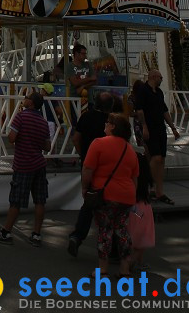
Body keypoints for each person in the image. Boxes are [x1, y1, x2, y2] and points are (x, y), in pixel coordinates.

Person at [82, 112, 139, 280]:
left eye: (107, 122)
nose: (105, 124)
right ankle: (124, 269)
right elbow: (134, 177)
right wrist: (131, 195)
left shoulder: (99, 143)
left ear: (113, 126)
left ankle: (103, 270)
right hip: (126, 195)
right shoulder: (130, 149)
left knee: (105, 231)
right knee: (122, 231)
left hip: (105, 195)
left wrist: (85, 188)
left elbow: (87, 169)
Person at [0, 91, 51, 247]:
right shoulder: (43, 122)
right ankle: (36, 234)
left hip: (24, 164)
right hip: (39, 163)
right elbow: (47, 146)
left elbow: (11, 138)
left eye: (27, 97)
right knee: (40, 200)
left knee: (16, 201)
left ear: (31, 103)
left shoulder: (21, 117)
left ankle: (6, 232)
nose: (24, 99)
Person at [67, 91, 115, 258]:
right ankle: (113, 247)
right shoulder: (111, 122)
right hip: (107, 168)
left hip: (88, 165)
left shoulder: (86, 117)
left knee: (89, 202)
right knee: (111, 207)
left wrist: (83, 155)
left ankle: (77, 235)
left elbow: (75, 138)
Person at [134, 68, 180, 203]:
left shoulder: (158, 92)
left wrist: (173, 128)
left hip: (160, 128)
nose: (161, 80)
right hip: (150, 128)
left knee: (161, 158)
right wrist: (144, 127)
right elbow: (140, 110)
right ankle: (151, 185)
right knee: (155, 157)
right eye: (161, 78)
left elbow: (164, 111)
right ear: (154, 77)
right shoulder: (143, 91)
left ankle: (158, 189)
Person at [128, 153, 155, 269]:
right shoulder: (145, 181)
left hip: (130, 207)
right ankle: (132, 262)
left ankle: (138, 261)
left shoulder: (129, 179)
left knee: (132, 236)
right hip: (142, 207)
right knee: (144, 236)